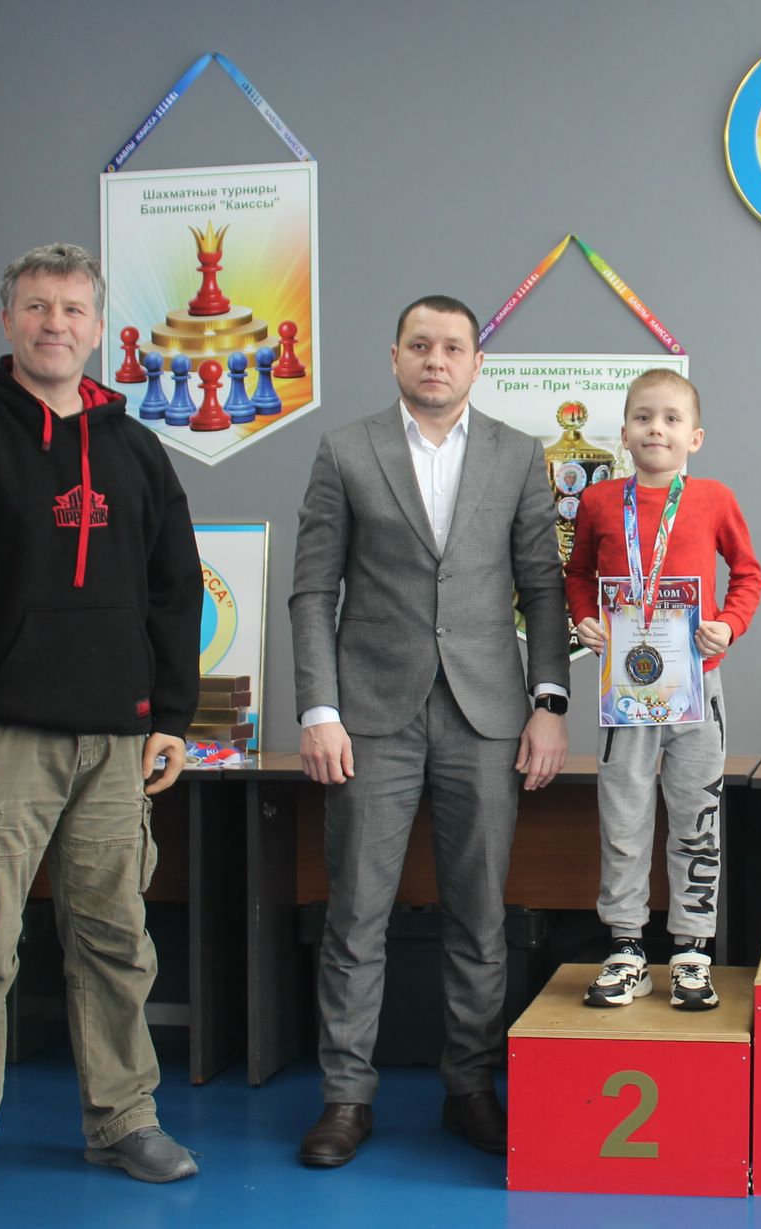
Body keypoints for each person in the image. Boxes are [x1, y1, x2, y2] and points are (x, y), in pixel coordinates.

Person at [0, 243, 203, 1222]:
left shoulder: (135, 449)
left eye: (73, 309)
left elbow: (175, 587)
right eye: (37, 306)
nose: (55, 323)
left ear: (97, 329)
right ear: (8, 320)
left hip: (114, 740)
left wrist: (171, 714)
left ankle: (123, 1116)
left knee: (116, 936)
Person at [290, 294, 569, 1166]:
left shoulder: (519, 454)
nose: (436, 360)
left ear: (478, 363)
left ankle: (470, 1088)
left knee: (480, 915)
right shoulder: (346, 449)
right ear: (395, 356)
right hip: (369, 716)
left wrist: (549, 701)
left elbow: (544, 587)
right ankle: (346, 1097)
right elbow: (313, 589)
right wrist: (319, 709)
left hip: (487, 715)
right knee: (356, 914)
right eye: (420, 345)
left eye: (452, 347)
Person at [565, 370, 761, 1010]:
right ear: (623, 433)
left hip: (698, 688)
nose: (657, 428)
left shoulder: (713, 498)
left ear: (694, 437)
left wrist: (727, 625)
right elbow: (576, 574)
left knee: (697, 816)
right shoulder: (599, 502)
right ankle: (626, 948)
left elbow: (749, 574)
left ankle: (692, 952)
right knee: (623, 818)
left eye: (672, 419)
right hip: (625, 690)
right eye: (643, 417)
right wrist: (584, 617)